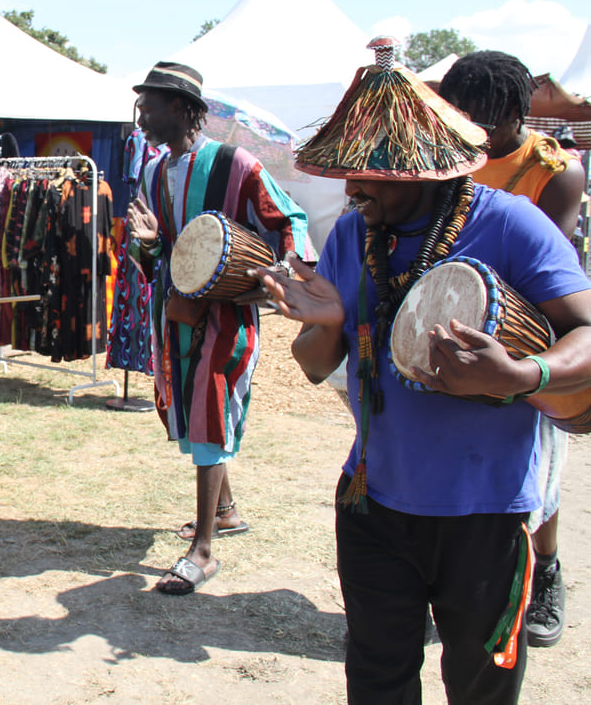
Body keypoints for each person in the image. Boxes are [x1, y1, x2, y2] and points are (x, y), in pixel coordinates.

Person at [258, 39, 591, 703]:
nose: (350, 187)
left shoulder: (512, 224)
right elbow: (314, 364)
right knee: (378, 681)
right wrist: (324, 322)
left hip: (486, 513)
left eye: (368, 172)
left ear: (422, 166)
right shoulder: (355, 233)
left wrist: (521, 375)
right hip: (373, 504)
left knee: (481, 687)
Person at [124, 61, 309, 595]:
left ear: (182, 108)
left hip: (227, 315)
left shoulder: (237, 164)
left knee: (209, 406)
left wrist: (275, 280)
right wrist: (150, 241)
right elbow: (156, 253)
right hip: (177, 312)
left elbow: (288, 221)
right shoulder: (155, 172)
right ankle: (224, 510)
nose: (142, 116)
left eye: (150, 106)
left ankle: (202, 551)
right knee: (187, 406)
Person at [440, 50, 587, 649]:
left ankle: (545, 569)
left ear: (517, 113)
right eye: (464, 117)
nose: (475, 130)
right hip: (460, 319)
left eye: (488, 119)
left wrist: (514, 363)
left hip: (528, 327)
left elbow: (546, 262)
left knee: (538, 466)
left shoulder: (556, 170)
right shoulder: (456, 161)